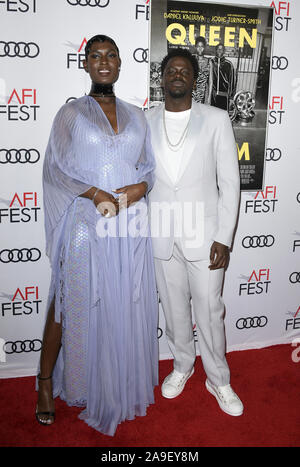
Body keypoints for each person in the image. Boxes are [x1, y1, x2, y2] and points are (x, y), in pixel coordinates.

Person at [35, 35, 158, 436]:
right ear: (85, 64)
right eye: (95, 56)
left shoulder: (136, 115)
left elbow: (147, 167)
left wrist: (141, 187)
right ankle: (45, 382)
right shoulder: (70, 114)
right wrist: (93, 192)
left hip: (127, 225)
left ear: (121, 64)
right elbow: (55, 168)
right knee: (66, 300)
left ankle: (111, 380)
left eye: (110, 56)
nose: (103, 62)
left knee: (119, 303)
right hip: (85, 222)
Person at [145, 48, 244, 417]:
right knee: (173, 312)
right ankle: (182, 367)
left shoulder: (217, 119)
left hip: (205, 237)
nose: (177, 75)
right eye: (171, 70)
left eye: (185, 71)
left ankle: (218, 379)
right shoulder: (146, 120)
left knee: (209, 311)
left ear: (194, 78)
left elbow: (230, 183)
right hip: (162, 235)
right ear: (162, 76)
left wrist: (224, 236)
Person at [211, 43, 235, 111]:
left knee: (223, 115)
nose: (219, 50)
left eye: (221, 49)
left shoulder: (229, 64)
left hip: (224, 96)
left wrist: (231, 97)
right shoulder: (211, 62)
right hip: (213, 95)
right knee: (213, 114)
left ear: (224, 51)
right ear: (216, 50)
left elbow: (232, 81)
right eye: (218, 49)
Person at [192, 36, 213, 104]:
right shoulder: (191, 60)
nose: (200, 48)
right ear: (195, 47)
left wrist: (209, 97)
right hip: (191, 94)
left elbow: (210, 82)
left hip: (203, 94)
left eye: (202, 46)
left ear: (204, 47)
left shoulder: (209, 62)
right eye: (198, 46)